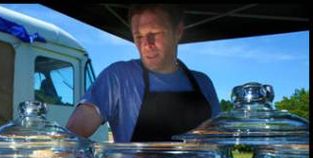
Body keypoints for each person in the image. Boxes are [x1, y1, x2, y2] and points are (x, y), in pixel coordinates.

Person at [66, 4, 221, 142]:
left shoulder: (203, 83)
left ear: (178, 31)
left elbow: (219, 143)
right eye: (138, 36)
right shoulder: (118, 78)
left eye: (155, 33)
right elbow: (72, 134)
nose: (147, 44)